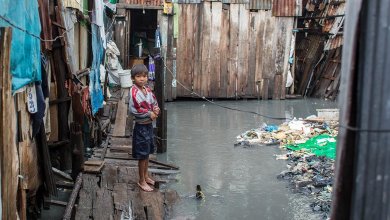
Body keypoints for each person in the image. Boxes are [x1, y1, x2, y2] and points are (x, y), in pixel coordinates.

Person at [129, 64, 160, 192]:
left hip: (148, 125)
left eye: (144, 76)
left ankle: (146, 176)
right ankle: (141, 180)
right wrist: (149, 113)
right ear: (133, 78)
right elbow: (135, 109)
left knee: (147, 152)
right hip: (141, 127)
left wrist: (156, 109)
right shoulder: (134, 91)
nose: (142, 79)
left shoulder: (147, 90)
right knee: (142, 155)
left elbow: (154, 102)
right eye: (138, 76)